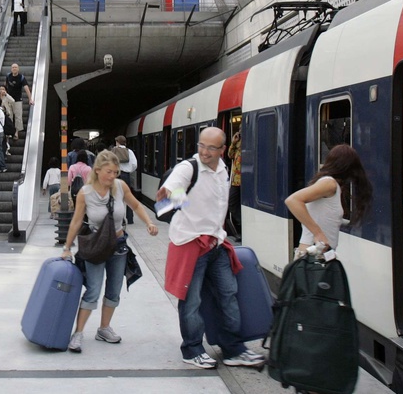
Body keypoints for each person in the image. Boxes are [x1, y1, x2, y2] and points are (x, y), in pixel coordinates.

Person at [156, 127, 264, 369]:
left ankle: (233, 349)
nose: (204, 152)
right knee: (191, 300)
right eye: (201, 146)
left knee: (229, 295)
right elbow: (166, 195)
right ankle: (192, 349)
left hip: (216, 244)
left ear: (222, 149)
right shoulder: (188, 168)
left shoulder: (223, 169)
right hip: (191, 244)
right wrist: (187, 215)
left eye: (211, 148)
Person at [61, 150, 159, 352]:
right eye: (109, 172)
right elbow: (77, 221)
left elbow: (136, 205)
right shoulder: (85, 193)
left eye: (115, 172)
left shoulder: (120, 187)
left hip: (118, 244)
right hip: (96, 247)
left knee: (114, 291)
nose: (113, 176)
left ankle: (104, 328)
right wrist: (66, 248)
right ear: (97, 171)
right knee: (93, 290)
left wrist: (149, 223)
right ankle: (78, 333)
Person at [284, 143, 373, 258]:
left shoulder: (331, 185)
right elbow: (292, 200)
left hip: (319, 256)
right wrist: (318, 233)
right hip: (314, 258)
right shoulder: (329, 184)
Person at [4, 64, 33, 139]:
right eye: (13, 67)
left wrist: (30, 99)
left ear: (18, 69)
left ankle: (16, 132)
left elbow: (26, 88)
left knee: (18, 116)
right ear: (11, 69)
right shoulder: (8, 76)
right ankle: (9, 131)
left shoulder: (21, 77)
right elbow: (5, 85)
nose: (14, 68)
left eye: (15, 67)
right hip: (8, 99)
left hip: (17, 99)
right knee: (9, 116)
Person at [112, 136, 137, 224]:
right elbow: (134, 164)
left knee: (117, 197)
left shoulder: (114, 151)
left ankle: (120, 219)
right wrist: (129, 170)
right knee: (128, 196)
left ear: (118, 142)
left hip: (116, 175)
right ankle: (130, 219)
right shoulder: (129, 151)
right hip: (126, 175)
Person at [226, 129, 242, 241]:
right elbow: (230, 155)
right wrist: (233, 142)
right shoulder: (237, 143)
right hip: (236, 180)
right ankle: (241, 225)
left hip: (245, 179)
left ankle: (242, 231)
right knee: (232, 203)